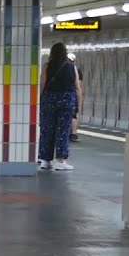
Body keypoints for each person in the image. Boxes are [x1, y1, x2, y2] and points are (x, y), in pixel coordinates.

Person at [38, 42, 81, 171]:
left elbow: (42, 84)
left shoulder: (47, 66)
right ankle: (60, 161)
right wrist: (78, 105)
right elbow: (77, 87)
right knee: (63, 130)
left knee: (47, 129)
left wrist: (41, 100)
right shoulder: (72, 67)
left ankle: (45, 160)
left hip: (49, 99)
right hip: (67, 100)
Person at [68, 52, 82, 142]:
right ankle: (73, 133)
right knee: (73, 115)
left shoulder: (57, 68)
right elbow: (78, 86)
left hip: (59, 96)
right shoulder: (76, 70)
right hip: (72, 96)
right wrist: (79, 101)